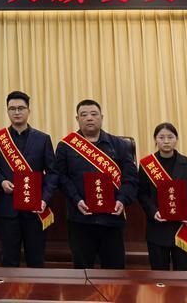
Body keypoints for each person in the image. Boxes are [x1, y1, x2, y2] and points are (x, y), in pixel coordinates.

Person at [55, 99, 137, 269]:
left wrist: (122, 200)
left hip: (112, 219)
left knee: (114, 271)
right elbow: (61, 178)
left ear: (102, 117)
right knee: (83, 271)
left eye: (94, 114)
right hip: (80, 219)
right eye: (84, 115)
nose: (89, 118)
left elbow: (131, 178)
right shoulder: (66, 146)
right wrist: (77, 200)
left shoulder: (120, 146)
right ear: (77, 119)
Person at [0, 90, 58, 268]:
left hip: (35, 209)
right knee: (9, 260)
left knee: (36, 261)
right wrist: (1, 181)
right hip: (8, 209)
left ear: (29, 111)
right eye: (12, 109)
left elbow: (53, 173)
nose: (17, 112)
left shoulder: (43, 139)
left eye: (21, 108)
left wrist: (44, 199)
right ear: (7, 111)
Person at [137, 122, 187, 270]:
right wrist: (153, 212)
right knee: (159, 274)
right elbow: (142, 194)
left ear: (176, 139)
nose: (166, 141)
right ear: (155, 140)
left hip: (182, 227)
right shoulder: (147, 165)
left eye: (170, 137)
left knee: (184, 274)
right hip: (158, 228)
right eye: (161, 137)